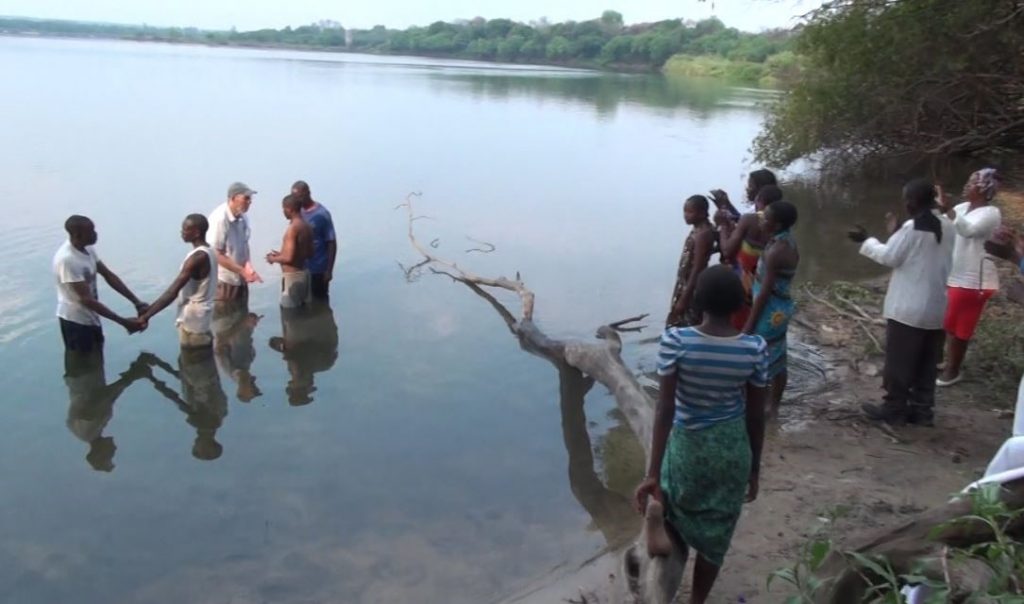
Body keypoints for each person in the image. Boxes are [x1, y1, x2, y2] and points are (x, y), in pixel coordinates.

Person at [635, 265, 768, 604]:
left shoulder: (676, 341)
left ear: (698, 301)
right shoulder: (754, 348)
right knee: (717, 532)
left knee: (672, 492)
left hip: (688, 447)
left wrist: (652, 473)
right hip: (730, 450)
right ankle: (696, 600)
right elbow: (756, 415)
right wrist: (754, 468)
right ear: (740, 304)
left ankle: (661, 517)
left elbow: (664, 409)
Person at [848, 179, 955, 425]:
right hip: (936, 308)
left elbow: (890, 257)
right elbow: (921, 255)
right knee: (927, 363)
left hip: (908, 310)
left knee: (899, 363)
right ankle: (922, 410)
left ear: (914, 202)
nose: (905, 203)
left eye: (907, 199)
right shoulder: (948, 226)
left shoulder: (913, 228)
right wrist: (896, 233)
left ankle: (894, 409)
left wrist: (866, 240)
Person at [937, 168, 1003, 387]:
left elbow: (969, 231)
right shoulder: (962, 207)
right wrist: (941, 210)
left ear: (985, 189)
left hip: (975, 279)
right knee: (948, 323)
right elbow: (947, 227)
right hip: (956, 274)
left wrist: (950, 213)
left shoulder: (990, 213)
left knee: (961, 327)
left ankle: (953, 370)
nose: (967, 185)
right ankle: (948, 363)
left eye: (973, 182)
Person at [53, 215, 147, 352]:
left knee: (97, 360)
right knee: (84, 364)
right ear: (78, 235)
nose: (95, 234)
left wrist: (136, 302)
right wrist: (123, 322)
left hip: (92, 317)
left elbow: (108, 275)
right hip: (76, 322)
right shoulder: (67, 260)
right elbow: (86, 300)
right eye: (91, 231)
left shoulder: (88, 249)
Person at [745, 201, 800, 409]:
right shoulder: (785, 241)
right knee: (779, 358)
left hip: (770, 312)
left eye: (765, 218)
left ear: (776, 225)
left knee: (760, 358)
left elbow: (764, 293)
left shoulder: (776, 251)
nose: (761, 220)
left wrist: (749, 325)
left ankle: (762, 406)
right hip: (780, 308)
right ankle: (773, 406)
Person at [137, 214, 217, 348]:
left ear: (196, 232)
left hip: (193, 324)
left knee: (191, 363)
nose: (182, 232)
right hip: (203, 319)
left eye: (185, 229)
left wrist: (146, 317)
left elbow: (172, 292)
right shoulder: (210, 251)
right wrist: (149, 309)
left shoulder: (198, 257)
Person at [64, 351, 150, 472]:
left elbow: (99, 399)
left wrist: (130, 377)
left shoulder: (87, 431)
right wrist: (130, 377)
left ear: (100, 451)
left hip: (83, 373)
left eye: (111, 453)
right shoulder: (93, 430)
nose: (114, 449)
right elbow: (106, 399)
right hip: (83, 374)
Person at [715, 182, 785, 330]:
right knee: (758, 321)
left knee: (735, 323)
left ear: (759, 200)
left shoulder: (749, 220)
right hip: (765, 284)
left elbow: (727, 251)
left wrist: (722, 227)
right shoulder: (781, 228)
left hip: (742, 281)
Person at [140, 349, 229, 461]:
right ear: (205, 445)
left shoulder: (221, 414)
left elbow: (182, 381)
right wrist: (151, 378)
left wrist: (157, 365)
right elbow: (174, 397)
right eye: (197, 446)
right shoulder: (201, 422)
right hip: (195, 369)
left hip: (208, 368)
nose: (194, 442)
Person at [268, 302, 339, 406]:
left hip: (316, 314)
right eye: (292, 383)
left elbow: (276, 343)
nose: (290, 381)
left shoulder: (326, 363)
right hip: (306, 316)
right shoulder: (324, 363)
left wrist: (285, 348)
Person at [666, 195, 717, 327]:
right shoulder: (699, 229)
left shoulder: (702, 234)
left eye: (690, 212)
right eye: (685, 211)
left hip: (692, 286)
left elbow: (697, 268)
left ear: (702, 213)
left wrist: (684, 298)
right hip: (685, 283)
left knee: (685, 323)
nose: (685, 215)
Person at [208, 182, 262, 301]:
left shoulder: (243, 217)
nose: (250, 202)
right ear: (233, 198)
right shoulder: (220, 219)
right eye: (246, 198)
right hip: (224, 280)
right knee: (226, 315)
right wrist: (242, 271)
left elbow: (244, 244)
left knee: (242, 314)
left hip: (240, 278)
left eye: (250, 198)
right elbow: (216, 254)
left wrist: (248, 266)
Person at [266, 194, 314, 309]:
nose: (283, 212)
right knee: (303, 314)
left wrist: (272, 259)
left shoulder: (293, 228)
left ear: (289, 209)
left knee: (290, 318)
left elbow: (288, 258)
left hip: (292, 278)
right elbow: (310, 253)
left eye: (283, 209)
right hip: (305, 275)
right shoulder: (307, 226)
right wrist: (281, 254)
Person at [292, 180, 337, 300]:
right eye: (294, 198)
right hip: (301, 268)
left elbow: (331, 242)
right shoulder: (297, 212)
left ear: (308, 193)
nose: (297, 200)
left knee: (320, 302)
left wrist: (329, 270)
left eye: (299, 197)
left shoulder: (322, 214)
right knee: (303, 304)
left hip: (319, 269)